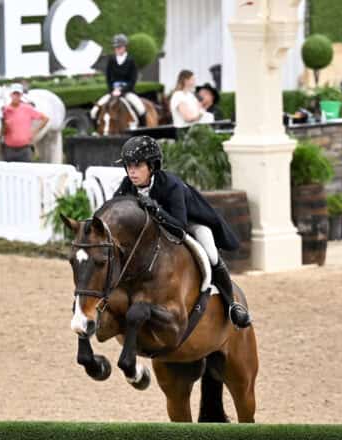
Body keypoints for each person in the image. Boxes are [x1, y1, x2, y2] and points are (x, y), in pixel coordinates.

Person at [113, 136, 251, 328]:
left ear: (152, 166)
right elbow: (114, 209)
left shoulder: (171, 185)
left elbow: (180, 227)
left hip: (191, 222)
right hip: (158, 227)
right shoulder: (127, 184)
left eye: (137, 165)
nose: (131, 171)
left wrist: (156, 210)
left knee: (211, 254)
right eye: (128, 166)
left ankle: (232, 306)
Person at [91, 34, 147, 126]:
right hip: (113, 92)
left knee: (141, 109)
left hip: (127, 92)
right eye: (115, 47)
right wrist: (112, 90)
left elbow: (133, 80)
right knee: (94, 111)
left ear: (125, 47)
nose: (117, 49)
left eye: (119, 47)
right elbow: (108, 78)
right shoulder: (111, 60)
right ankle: (97, 132)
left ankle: (143, 131)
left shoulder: (131, 61)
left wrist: (122, 91)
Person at [1, 83, 48, 163]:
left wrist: (34, 132)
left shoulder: (27, 108)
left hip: (25, 150)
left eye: (18, 94)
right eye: (14, 94)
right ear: (10, 95)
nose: (16, 96)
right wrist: (5, 125)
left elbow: (45, 119)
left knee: (27, 173)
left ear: (21, 95)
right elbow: (2, 132)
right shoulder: (5, 110)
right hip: (9, 149)